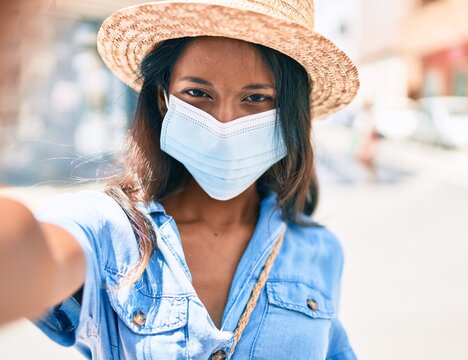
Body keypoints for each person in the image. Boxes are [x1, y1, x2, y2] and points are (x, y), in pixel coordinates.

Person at [0, 0, 359, 358]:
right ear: (162, 99)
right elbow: (31, 256)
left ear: (289, 112)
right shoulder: (110, 231)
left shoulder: (320, 250)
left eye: (256, 98)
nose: (224, 122)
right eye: (198, 93)